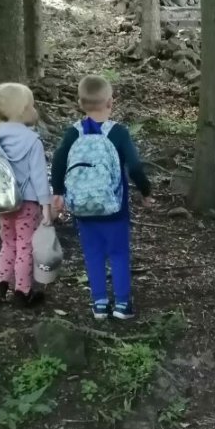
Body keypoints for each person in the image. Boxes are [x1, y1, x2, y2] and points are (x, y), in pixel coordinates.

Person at [51, 75, 154, 321]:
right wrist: (146, 191)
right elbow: (135, 166)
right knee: (118, 253)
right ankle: (122, 304)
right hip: (114, 207)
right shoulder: (118, 133)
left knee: (93, 253)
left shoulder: (73, 133)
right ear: (110, 102)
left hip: (83, 207)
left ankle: (99, 303)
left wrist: (58, 192)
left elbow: (58, 162)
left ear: (80, 103)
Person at [0, 83, 52, 308]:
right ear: (22, 110)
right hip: (27, 203)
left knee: (8, 242)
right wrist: (46, 205)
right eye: (32, 105)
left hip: (2, 201)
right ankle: (22, 291)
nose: (34, 110)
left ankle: (0, 284)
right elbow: (39, 176)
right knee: (25, 246)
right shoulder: (32, 141)